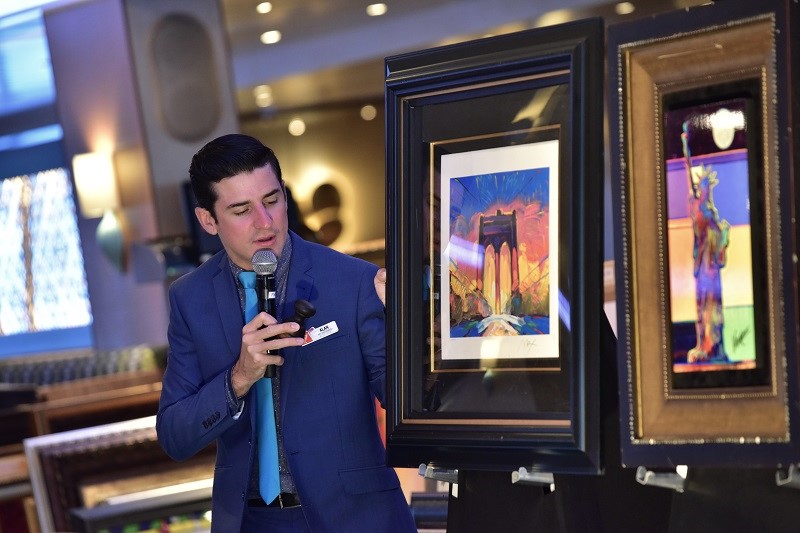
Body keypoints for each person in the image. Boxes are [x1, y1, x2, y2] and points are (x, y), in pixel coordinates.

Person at [156, 134, 416, 532]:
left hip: (356, 518)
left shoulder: (353, 280)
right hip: (252, 522)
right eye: (241, 210)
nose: (265, 222)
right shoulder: (190, 298)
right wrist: (239, 378)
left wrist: (411, 328)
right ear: (208, 220)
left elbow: (406, 406)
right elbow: (175, 435)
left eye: (272, 200)